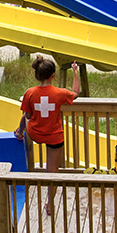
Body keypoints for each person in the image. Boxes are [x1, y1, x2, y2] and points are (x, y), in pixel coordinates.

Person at [15, 56, 81, 216]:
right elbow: (76, 93)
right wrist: (76, 73)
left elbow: (28, 114)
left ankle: (19, 132)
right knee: (53, 172)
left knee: (25, 117)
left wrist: (26, 126)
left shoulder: (30, 93)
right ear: (53, 75)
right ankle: (50, 205)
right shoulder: (59, 93)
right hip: (54, 136)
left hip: (35, 133)